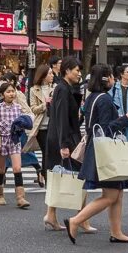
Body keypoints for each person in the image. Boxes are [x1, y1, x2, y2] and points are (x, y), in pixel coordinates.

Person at [65, 65, 128, 244]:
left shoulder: (92, 97)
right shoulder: (105, 100)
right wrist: (127, 118)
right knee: (112, 195)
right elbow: (107, 127)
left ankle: (116, 231)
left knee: (117, 192)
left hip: (96, 148)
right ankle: (75, 221)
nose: (113, 80)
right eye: (111, 77)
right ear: (106, 79)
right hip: (106, 151)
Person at [43, 57, 82, 231]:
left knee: (59, 175)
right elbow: (60, 117)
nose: (79, 74)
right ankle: (80, 218)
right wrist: (64, 145)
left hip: (60, 137)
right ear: (67, 71)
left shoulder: (65, 88)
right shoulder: (62, 89)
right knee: (66, 175)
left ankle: (51, 215)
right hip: (62, 138)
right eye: (76, 70)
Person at [0, 82, 33, 209]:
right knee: (1, 169)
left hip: (14, 140)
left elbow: (29, 116)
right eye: (8, 92)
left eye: (13, 91)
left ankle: (20, 197)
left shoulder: (18, 107)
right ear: (2, 94)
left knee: (17, 168)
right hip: (1, 140)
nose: (11, 94)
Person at [24, 63, 54, 188]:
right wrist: (45, 105)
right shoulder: (34, 89)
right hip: (41, 126)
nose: (52, 75)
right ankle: (46, 177)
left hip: (53, 125)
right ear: (43, 76)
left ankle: (43, 173)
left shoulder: (56, 88)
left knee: (51, 152)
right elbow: (33, 109)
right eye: (50, 73)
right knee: (46, 151)